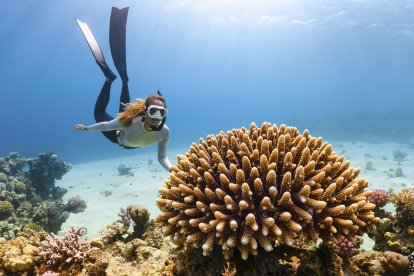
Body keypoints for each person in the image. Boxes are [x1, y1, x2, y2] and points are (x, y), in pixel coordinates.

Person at [74, 7, 172, 172]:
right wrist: (87, 129)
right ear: (146, 111)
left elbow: (162, 157)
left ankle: (114, 79)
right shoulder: (130, 121)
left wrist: (172, 170)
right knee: (100, 112)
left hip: (124, 139)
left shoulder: (164, 132)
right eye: (154, 111)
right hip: (118, 135)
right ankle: (114, 80)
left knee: (122, 110)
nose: (157, 117)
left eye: (162, 113)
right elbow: (105, 126)